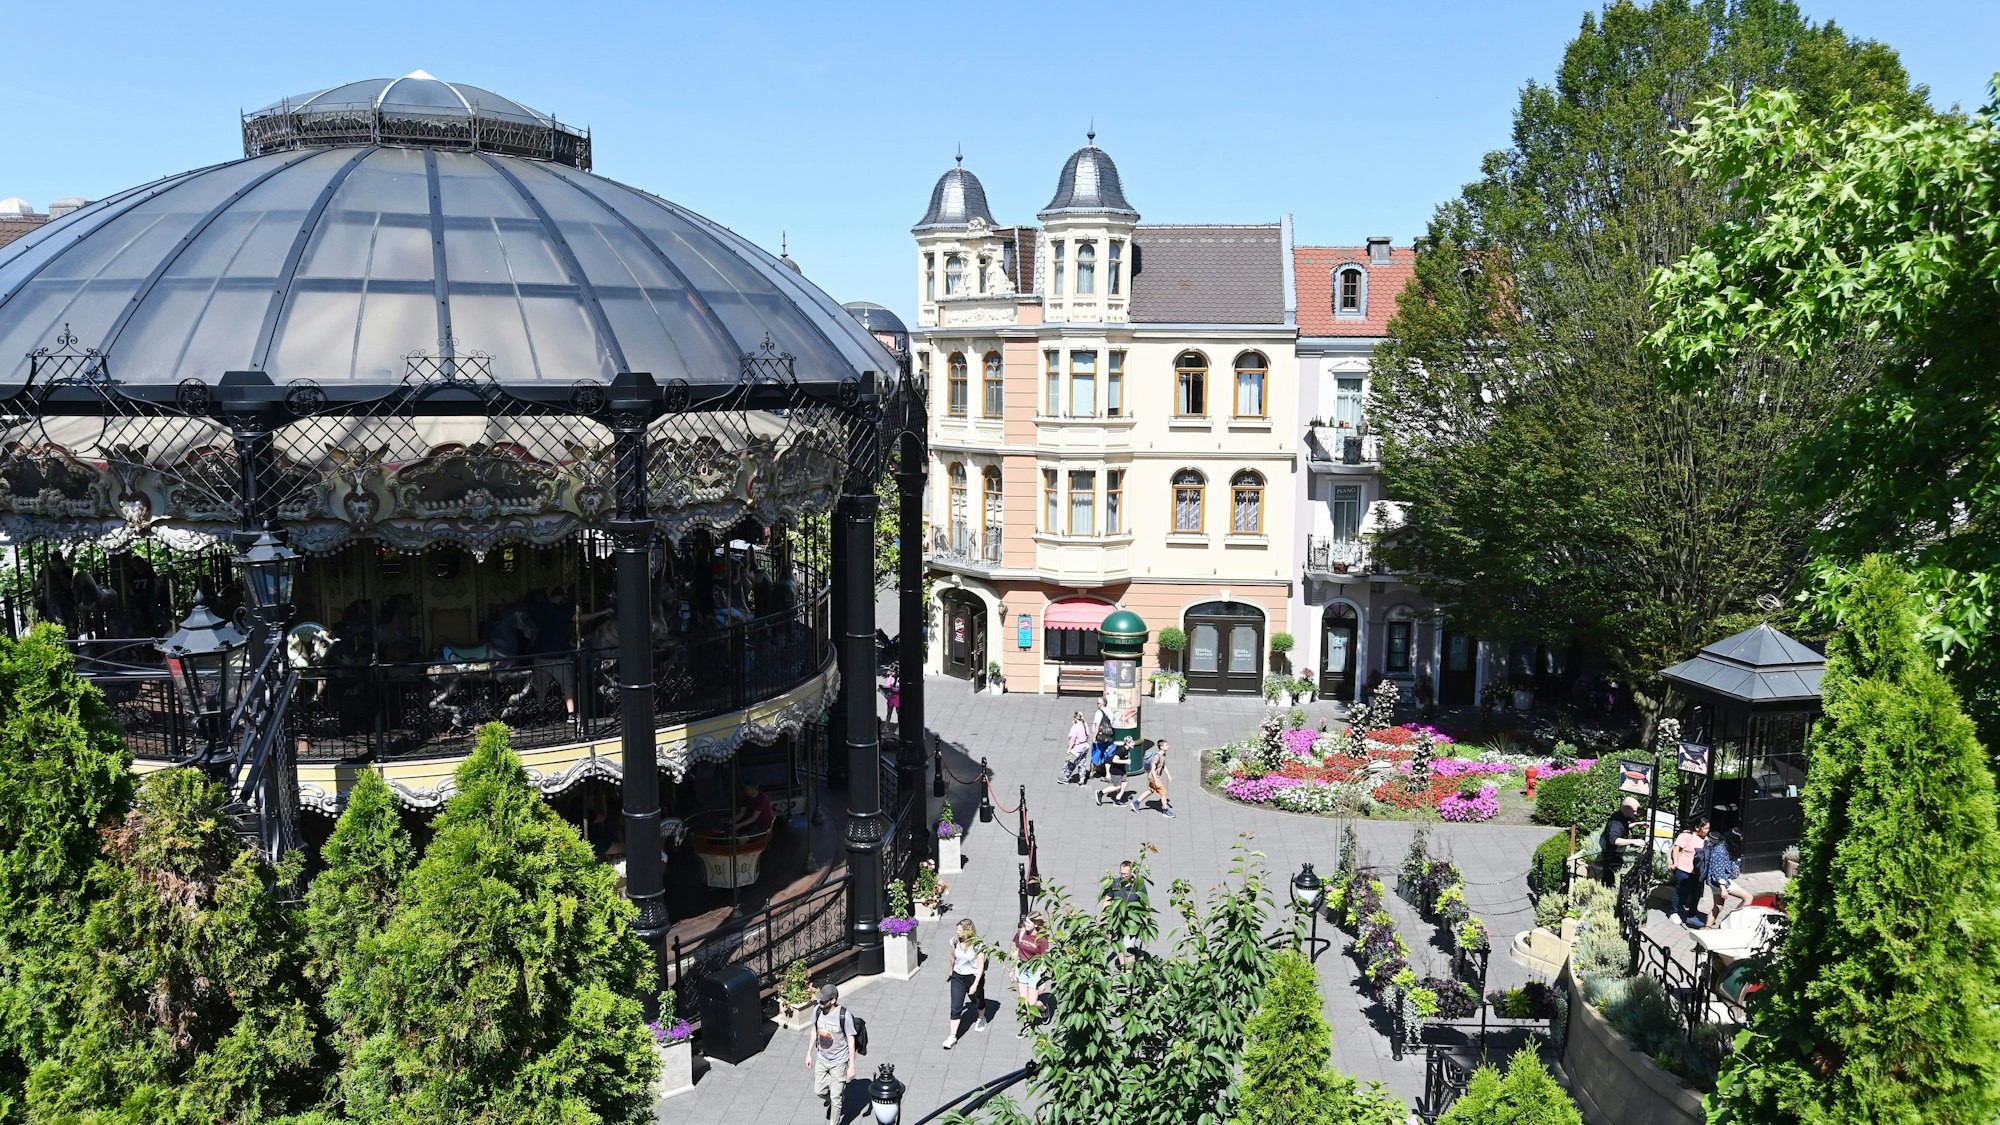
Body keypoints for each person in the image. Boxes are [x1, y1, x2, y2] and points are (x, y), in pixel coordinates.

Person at [804, 983, 857, 1123]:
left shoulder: (844, 1016)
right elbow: (814, 1031)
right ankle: (838, 1092)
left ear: (833, 1000)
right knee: (819, 1090)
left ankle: (835, 1117)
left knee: (835, 1099)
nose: (820, 1003)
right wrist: (809, 1053)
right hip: (822, 1059)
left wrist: (852, 1066)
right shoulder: (817, 1010)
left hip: (839, 1062)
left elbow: (851, 1041)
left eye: (824, 1000)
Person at [943, 918, 988, 1048]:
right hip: (958, 976)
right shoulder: (955, 941)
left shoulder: (978, 945)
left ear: (968, 931)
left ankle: (981, 1017)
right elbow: (952, 957)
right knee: (955, 1006)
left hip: (973, 977)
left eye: (960, 930)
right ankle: (952, 1036)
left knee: (978, 1001)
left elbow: (980, 967)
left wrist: (974, 985)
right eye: (957, 930)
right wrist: (951, 970)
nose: (957, 932)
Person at [1701, 828, 1754, 928]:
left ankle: (1707, 928)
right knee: (1748, 897)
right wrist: (1723, 889)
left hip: (1714, 882)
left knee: (1718, 907)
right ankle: (1736, 922)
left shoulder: (1721, 846)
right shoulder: (1721, 850)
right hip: (1721, 883)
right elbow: (1718, 870)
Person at [1011, 912, 1051, 1039]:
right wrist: (1012, 968)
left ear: (1036, 924)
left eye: (1028, 922)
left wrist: (1043, 980)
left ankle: (1044, 1009)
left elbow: (1045, 959)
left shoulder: (1042, 939)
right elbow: (1015, 949)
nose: (1025, 924)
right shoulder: (1021, 933)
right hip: (1022, 967)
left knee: (1032, 1002)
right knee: (1024, 1001)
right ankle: (1026, 1026)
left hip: (1035, 970)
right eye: (1025, 922)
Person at [1100, 860, 1145, 964]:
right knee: (1119, 945)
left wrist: (1146, 919)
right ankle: (1123, 967)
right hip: (1116, 920)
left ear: (1132, 872)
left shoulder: (1138, 885)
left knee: (1128, 949)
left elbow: (1145, 902)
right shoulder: (1115, 883)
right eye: (1121, 873)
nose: (1123, 876)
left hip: (1132, 922)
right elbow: (1107, 900)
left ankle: (1128, 975)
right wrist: (1103, 919)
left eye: (1125, 874)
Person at [1669, 818, 1711, 927]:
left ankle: (1691, 916)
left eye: (1708, 828)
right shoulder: (1686, 836)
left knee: (1695, 895)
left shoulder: (1706, 840)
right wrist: (1676, 863)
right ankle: (1674, 912)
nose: (1707, 830)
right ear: (1697, 827)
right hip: (1683, 869)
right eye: (1705, 828)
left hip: (1697, 873)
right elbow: (1676, 848)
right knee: (1680, 892)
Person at [1599, 796, 1645, 885]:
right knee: (1611, 881)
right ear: (1627, 808)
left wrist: (1637, 824)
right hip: (1611, 857)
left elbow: (1623, 827)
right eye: (1634, 810)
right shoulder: (1616, 823)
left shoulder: (1620, 816)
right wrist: (1633, 841)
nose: (1636, 813)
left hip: (1616, 855)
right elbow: (1615, 840)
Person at [1132, 738, 1175, 818]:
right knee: (1163, 793)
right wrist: (1156, 780)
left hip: (1155, 777)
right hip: (1154, 777)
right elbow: (1152, 769)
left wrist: (1168, 775)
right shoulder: (1157, 756)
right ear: (1161, 747)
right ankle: (1165, 811)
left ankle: (1136, 803)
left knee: (1151, 790)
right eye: (1166, 745)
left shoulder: (1163, 755)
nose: (1168, 746)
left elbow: (1163, 765)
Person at [1096, 738, 1140, 807]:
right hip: (1116, 771)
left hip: (1121, 770)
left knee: (1124, 783)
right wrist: (1125, 761)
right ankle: (1100, 792)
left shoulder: (1127, 749)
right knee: (1117, 787)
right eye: (1132, 742)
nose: (1134, 743)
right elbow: (1114, 760)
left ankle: (1117, 800)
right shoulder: (1121, 750)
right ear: (1127, 743)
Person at [1060, 711, 1092, 785]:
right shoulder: (1085, 724)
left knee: (1069, 763)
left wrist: (1069, 749)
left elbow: (1073, 739)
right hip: (1084, 747)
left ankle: (1066, 778)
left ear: (1075, 718)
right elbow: (1087, 734)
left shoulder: (1075, 727)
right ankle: (1082, 780)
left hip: (1076, 749)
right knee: (1082, 763)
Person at [1089, 696, 1116, 779]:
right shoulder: (1110, 712)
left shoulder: (1099, 712)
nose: (1097, 704)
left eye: (1098, 703)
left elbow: (1097, 726)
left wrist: (1094, 737)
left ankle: (1091, 773)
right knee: (1106, 754)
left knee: (1096, 753)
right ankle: (1106, 772)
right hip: (1109, 737)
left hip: (1100, 738)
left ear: (1101, 704)